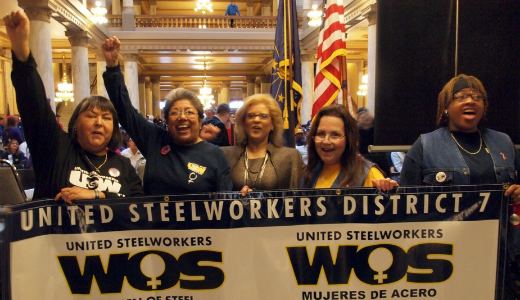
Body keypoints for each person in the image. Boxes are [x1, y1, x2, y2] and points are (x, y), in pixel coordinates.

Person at [399, 74, 520, 298]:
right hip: (444, 257)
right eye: (461, 96)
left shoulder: (504, 142)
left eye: (477, 97)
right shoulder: (425, 145)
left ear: (484, 106)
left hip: (499, 256)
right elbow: (405, 206)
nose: (470, 101)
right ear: (445, 107)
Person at [4, 10, 143, 203]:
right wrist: (22, 54)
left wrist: (98, 195)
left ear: (114, 129)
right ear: (76, 123)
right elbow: (34, 105)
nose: (99, 123)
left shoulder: (123, 165)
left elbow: (139, 206)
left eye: (106, 118)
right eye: (91, 116)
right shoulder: (56, 147)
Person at [102, 36, 232, 195]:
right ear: (167, 121)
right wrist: (112, 68)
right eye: (175, 112)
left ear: (200, 120)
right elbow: (125, 110)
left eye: (189, 112)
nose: (182, 117)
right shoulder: (155, 140)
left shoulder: (215, 155)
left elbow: (225, 202)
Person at [302, 105, 397, 190]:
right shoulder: (307, 174)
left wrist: (388, 189)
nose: (326, 141)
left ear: (349, 139)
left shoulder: (368, 174)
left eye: (335, 135)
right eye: (320, 134)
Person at [221, 94, 304, 193]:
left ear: (273, 124)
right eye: (251, 116)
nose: (256, 120)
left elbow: (297, 199)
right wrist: (236, 197)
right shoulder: (225, 155)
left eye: (263, 116)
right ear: (244, 123)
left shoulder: (290, 157)